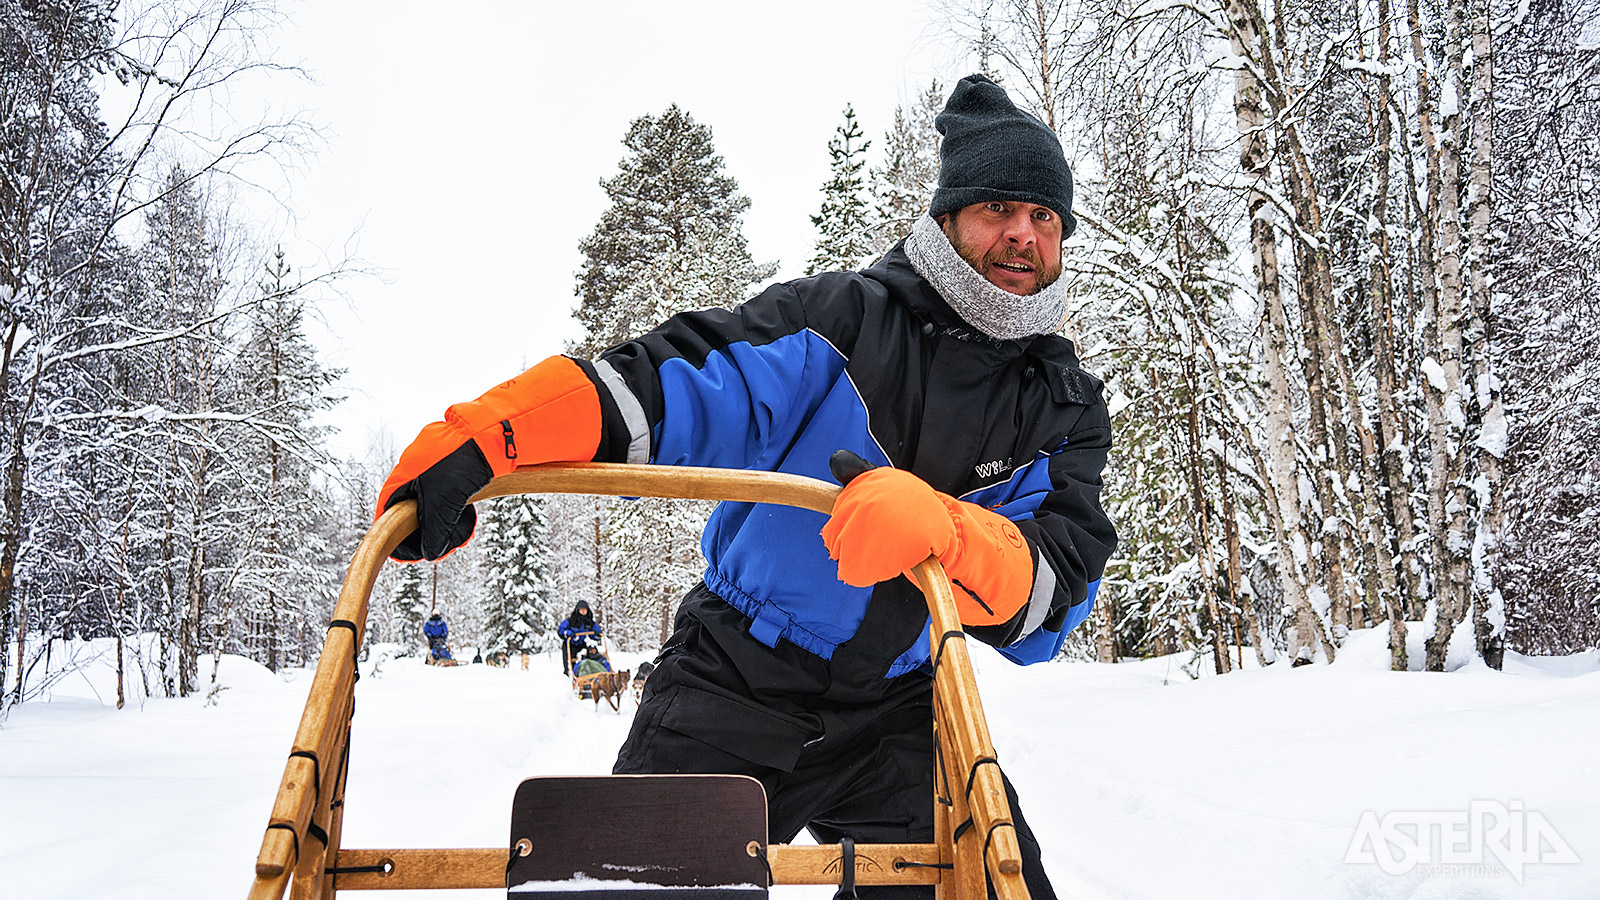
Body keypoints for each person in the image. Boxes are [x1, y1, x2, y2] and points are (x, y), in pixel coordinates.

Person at [377, 74, 1117, 900]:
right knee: (624, 889)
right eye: (997, 209)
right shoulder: (843, 321)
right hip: (733, 675)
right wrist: (494, 435)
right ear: (947, 220)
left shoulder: (1064, 408)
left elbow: (1052, 603)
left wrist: (948, 532)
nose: (1021, 235)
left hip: (903, 709)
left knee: (994, 887)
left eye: (1043, 217)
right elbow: (671, 384)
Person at [557, 601, 604, 671]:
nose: (583, 611)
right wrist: (569, 633)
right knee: (569, 664)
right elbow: (561, 631)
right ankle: (571, 673)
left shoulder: (589, 622)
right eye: (581, 609)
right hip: (570, 645)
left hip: (581, 644)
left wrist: (597, 634)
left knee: (590, 656)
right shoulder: (570, 621)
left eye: (585, 609)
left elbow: (595, 633)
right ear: (578, 610)